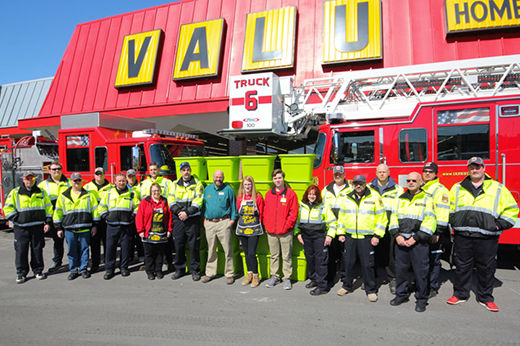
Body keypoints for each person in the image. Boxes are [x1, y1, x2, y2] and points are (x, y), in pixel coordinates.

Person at [447, 157, 518, 312]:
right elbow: (449, 208)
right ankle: (460, 294)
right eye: (472, 167)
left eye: (478, 167)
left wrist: (498, 225)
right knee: (462, 266)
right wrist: (454, 221)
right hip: (463, 234)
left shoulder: (498, 188)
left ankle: (485, 298)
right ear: (468, 169)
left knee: (486, 268)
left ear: (484, 168)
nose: (475, 170)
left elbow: (512, 210)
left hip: (487, 237)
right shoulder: (457, 187)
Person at [330, 175, 387, 302]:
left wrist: (377, 235)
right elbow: (342, 218)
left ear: (365, 183)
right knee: (348, 263)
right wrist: (340, 233)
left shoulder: (374, 197)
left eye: (361, 183)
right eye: (356, 183)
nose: (358, 185)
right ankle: (346, 286)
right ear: (353, 184)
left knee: (367, 265)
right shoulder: (347, 198)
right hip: (350, 237)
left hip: (366, 238)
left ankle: (371, 290)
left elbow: (382, 218)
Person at [389, 172, 436, 312]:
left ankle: (421, 299)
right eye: (408, 180)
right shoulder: (400, 199)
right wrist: (397, 235)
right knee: (401, 271)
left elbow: (430, 221)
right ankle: (401, 295)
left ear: (421, 182)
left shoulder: (427, 198)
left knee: (421, 272)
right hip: (401, 241)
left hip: (419, 243)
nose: (411, 182)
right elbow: (393, 218)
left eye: (414, 180)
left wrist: (415, 238)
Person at [4, 171, 53, 283]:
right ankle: (21, 273)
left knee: (37, 249)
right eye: (27, 178)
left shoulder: (41, 192)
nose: (29, 181)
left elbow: (48, 207)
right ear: (23, 179)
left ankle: (38, 270)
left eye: (31, 179)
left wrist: (47, 222)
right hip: (21, 227)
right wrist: (17, 218)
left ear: (34, 180)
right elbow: (8, 208)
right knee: (21, 250)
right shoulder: (15, 192)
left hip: (37, 226)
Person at [53, 173, 99, 280]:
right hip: (69, 228)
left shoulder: (89, 195)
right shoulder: (63, 196)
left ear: (82, 181)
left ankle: (83, 269)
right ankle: (73, 270)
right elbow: (58, 212)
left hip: (85, 228)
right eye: (74, 180)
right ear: (71, 181)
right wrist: (58, 228)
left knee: (84, 250)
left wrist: (95, 226)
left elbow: (95, 211)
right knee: (72, 251)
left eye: (78, 180)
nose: (76, 182)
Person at [369, 163, 404, 294]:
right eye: (379, 172)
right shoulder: (369, 187)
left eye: (384, 171)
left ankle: (392, 279)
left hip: (390, 227)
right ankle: (374, 279)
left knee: (391, 255)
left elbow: (400, 208)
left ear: (389, 172)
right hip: (374, 227)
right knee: (374, 254)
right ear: (376, 173)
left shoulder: (397, 189)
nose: (382, 174)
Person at [98, 173, 140, 280]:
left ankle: (124, 268)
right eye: (119, 181)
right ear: (115, 182)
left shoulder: (132, 193)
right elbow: (101, 207)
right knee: (110, 248)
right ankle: (109, 270)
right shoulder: (108, 194)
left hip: (127, 225)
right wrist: (106, 217)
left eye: (123, 181)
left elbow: (137, 207)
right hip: (112, 225)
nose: (121, 183)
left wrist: (132, 217)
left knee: (126, 247)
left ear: (126, 181)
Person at [263, 169, 298, 290]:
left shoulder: (291, 194)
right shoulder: (268, 194)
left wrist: (287, 226)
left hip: (285, 232)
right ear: (273, 180)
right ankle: (274, 276)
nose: (277, 180)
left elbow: (293, 213)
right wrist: (267, 225)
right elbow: (264, 212)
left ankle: (287, 278)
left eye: (279, 178)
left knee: (286, 256)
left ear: (283, 178)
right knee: (274, 255)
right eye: (275, 178)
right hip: (271, 231)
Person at [169, 161, 204, 281]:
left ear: (190, 171)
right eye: (184, 170)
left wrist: (187, 213)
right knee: (178, 245)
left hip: (192, 218)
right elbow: (171, 200)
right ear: (180, 172)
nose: (186, 172)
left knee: (194, 245)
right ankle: (179, 269)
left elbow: (198, 201)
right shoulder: (174, 184)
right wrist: (179, 212)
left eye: (188, 169)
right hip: (178, 219)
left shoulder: (198, 184)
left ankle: (195, 270)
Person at [201, 170, 238, 284]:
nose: (218, 179)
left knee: (228, 249)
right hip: (210, 223)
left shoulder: (228, 189)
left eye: (220, 177)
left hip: (224, 222)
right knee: (211, 249)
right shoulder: (207, 189)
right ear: (213, 177)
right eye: (216, 177)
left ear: (223, 178)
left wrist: (231, 221)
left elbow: (233, 206)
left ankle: (229, 273)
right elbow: (203, 206)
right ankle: (210, 273)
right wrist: (205, 220)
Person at [421, 162, 451, 298]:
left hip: (434, 232)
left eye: (430, 171)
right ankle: (422, 284)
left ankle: (432, 287)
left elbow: (443, 213)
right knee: (422, 259)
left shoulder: (440, 190)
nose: (427, 173)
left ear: (435, 174)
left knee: (434, 260)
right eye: (425, 171)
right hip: (422, 230)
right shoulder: (421, 187)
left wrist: (438, 232)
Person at [140, 162, 174, 271]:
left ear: (158, 170)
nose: (153, 171)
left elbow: (170, 198)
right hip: (149, 217)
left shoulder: (166, 182)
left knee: (166, 244)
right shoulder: (144, 183)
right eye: (151, 170)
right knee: (149, 245)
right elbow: (141, 198)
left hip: (163, 215)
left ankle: (169, 263)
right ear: (149, 171)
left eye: (155, 169)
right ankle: (148, 265)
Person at [296, 185, 328, 296]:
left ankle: (322, 286)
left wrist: (329, 236)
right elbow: (297, 221)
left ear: (317, 195)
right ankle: (314, 279)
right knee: (310, 259)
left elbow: (332, 222)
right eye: (310, 194)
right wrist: (298, 234)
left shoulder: (323, 206)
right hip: (306, 236)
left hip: (319, 236)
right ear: (307, 195)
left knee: (320, 261)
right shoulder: (302, 206)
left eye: (314, 194)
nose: (312, 196)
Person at [135, 183, 172, 280]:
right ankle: (150, 271)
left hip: (161, 233)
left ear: (160, 191)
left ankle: (158, 270)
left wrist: (169, 229)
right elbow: (139, 216)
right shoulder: (145, 201)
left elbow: (169, 217)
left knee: (160, 254)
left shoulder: (165, 201)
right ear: (151, 192)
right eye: (154, 191)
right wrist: (140, 230)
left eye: (157, 190)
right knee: (149, 254)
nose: (156, 192)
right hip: (148, 233)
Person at [321, 165, 351, 286]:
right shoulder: (326, 190)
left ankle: (345, 278)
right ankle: (331, 277)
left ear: (344, 175)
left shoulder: (351, 189)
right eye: (336, 174)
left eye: (340, 174)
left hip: (344, 228)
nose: (338, 176)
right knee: (331, 255)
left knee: (345, 255)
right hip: (331, 229)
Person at [38, 160, 70, 272]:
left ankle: (74, 262)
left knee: (71, 241)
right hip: (53, 218)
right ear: (49, 171)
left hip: (68, 217)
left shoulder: (70, 183)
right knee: (57, 241)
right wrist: (45, 221)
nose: (56, 171)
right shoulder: (42, 185)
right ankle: (57, 262)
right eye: (54, 169)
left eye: (58, 169)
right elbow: (40, 204)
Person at [236, 176, 264, 288]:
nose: (247, 187)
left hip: (254, 229)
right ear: (242, 185)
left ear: (252, 185)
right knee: (246, 253)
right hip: (243, 229)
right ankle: (249, 274)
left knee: (252, 253)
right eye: (245, 184)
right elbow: (238, 212)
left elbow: (261, 213)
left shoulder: (257, 197)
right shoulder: (239, 198)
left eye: (249, 184)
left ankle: (256, 276)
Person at [84, 167, 113, 273]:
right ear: (94, 175)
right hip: (93, 219)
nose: (99, 175)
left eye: (101, 173)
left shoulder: (111, 187)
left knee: (107, 242)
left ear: (104, 174)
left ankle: (107, 263)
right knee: (94, 243)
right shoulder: (87, 187)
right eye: (97, 173)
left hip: (106, 219)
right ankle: (95, 264)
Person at [126, 169, 144, 263]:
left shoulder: (140, 187)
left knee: (139, 236)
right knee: (129, 237)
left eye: (133, 176)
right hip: (127, 216)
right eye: (129, 177)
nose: (131, 178)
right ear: (127, 178)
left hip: (138, 215)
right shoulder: (123, 187)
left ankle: (141, 255)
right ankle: (130, 256)